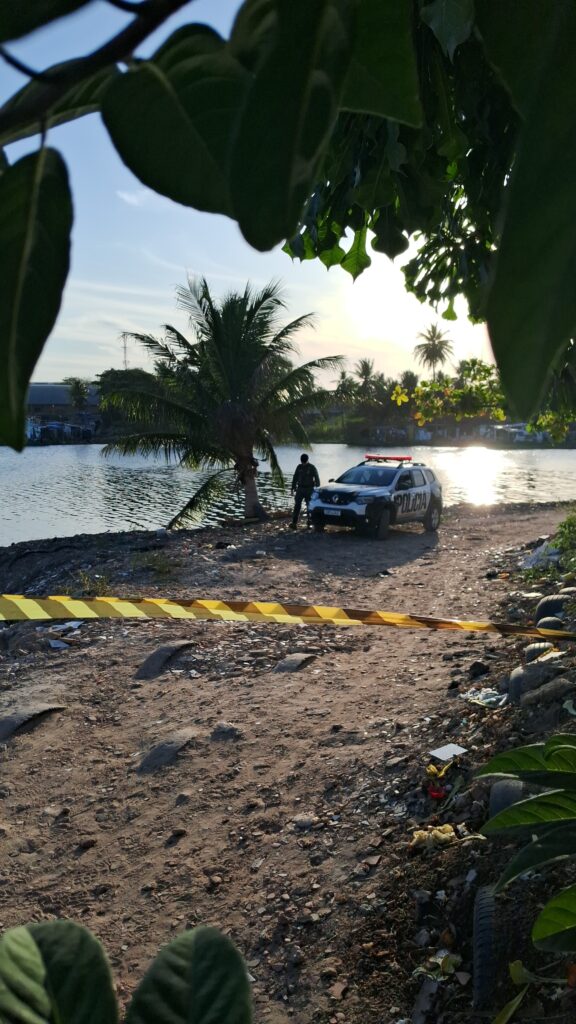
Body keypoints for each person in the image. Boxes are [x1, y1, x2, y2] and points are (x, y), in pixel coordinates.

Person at [290, 453, 320, 528]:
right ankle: (294, 523)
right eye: (302, 461)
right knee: (297, 505)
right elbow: (295, 477)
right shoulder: (299, 467)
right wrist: (293, 487)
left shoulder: (312, 467)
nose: (303, 463)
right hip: (300, 489)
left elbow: (316, 477)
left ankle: (309, 522)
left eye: (304, 461)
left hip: (309, 489)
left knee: (309, 506)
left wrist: (317, 486)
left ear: (307, 460)